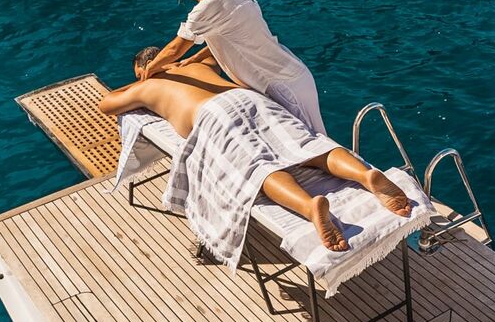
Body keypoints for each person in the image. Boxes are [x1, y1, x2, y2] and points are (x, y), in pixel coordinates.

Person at [101, 51, 409, 253]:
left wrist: (139, 81)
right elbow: (213, 46)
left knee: (259, 169)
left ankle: (309, 206)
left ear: (143, 70)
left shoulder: (146, 86)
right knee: (308, 146)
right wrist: (183, 59)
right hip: (247, 99)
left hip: (213, 116)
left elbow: (107, 104)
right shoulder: (195, 65)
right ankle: (365, 175)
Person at [136, 0, 326, 134]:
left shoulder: (210, 5)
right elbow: (228, 39)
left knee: (315, 147)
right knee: (311, 144)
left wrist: (150, 68)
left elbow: (175, 48)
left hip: (282, 86)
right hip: (289, 77)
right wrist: (193, 60)